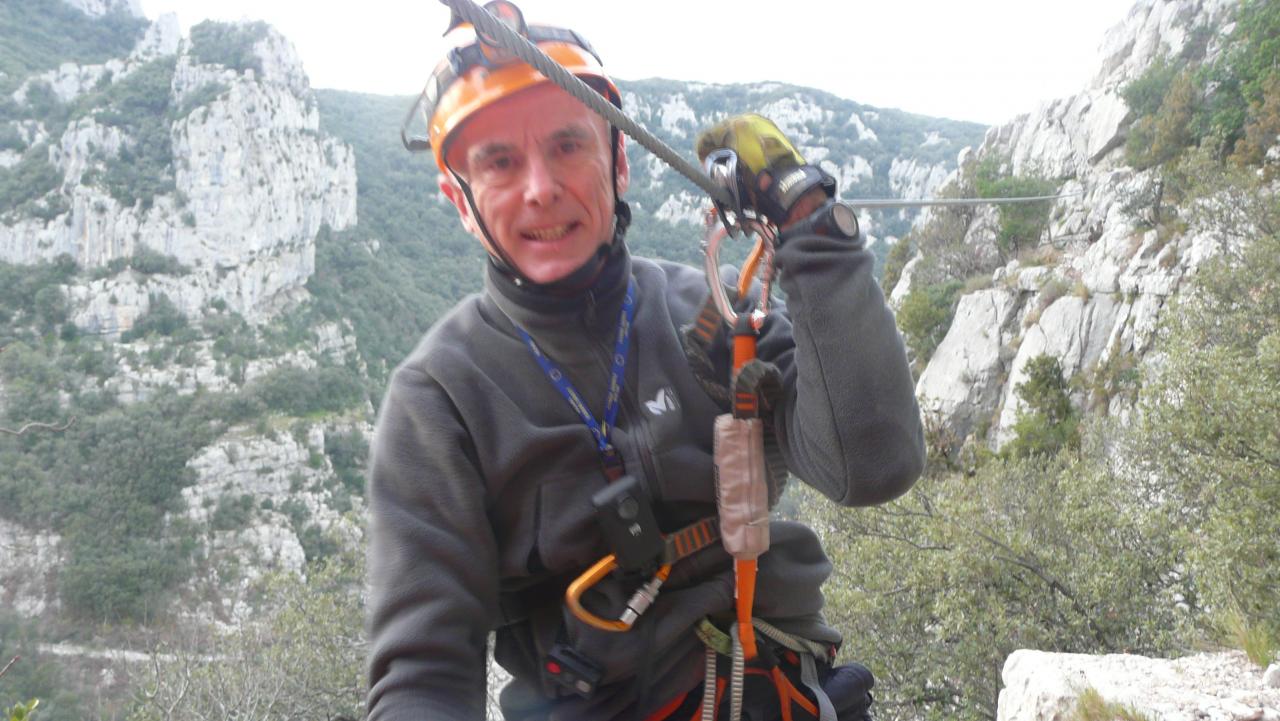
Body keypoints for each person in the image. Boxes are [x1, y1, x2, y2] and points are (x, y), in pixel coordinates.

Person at [365, 4, 925, 719]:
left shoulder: (715, 316)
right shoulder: (440, 399)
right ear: (460, 199)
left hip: (782, 692)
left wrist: (813, 232)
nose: (541, 187)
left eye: (568, 144)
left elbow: (874, 465)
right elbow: (422, 674)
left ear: (619, 160)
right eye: (499, 162)